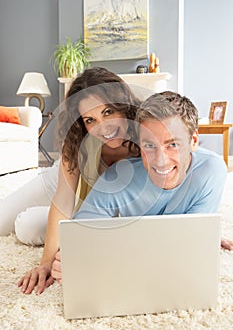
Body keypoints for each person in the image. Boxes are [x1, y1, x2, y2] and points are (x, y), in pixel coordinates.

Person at [51, 91, 233, 285]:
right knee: (30, 225)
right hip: (60, 177)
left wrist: (206, 234)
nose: (160, 161)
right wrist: (69, 259)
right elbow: (80, 236)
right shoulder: (117, 178)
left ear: (193, 141)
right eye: (149, 145)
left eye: (172, 144)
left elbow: (189, 246)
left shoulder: (210, 170)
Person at [17, 67, 141, 294]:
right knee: (15, 221)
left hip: (91, 204)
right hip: (61, 181)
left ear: (124, 105)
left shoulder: (146, 134)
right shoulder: (77, 141)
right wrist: (45, 264)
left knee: (29, 226)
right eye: (90, 120)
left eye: (108, 112)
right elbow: (64, 199)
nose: (103, 127)